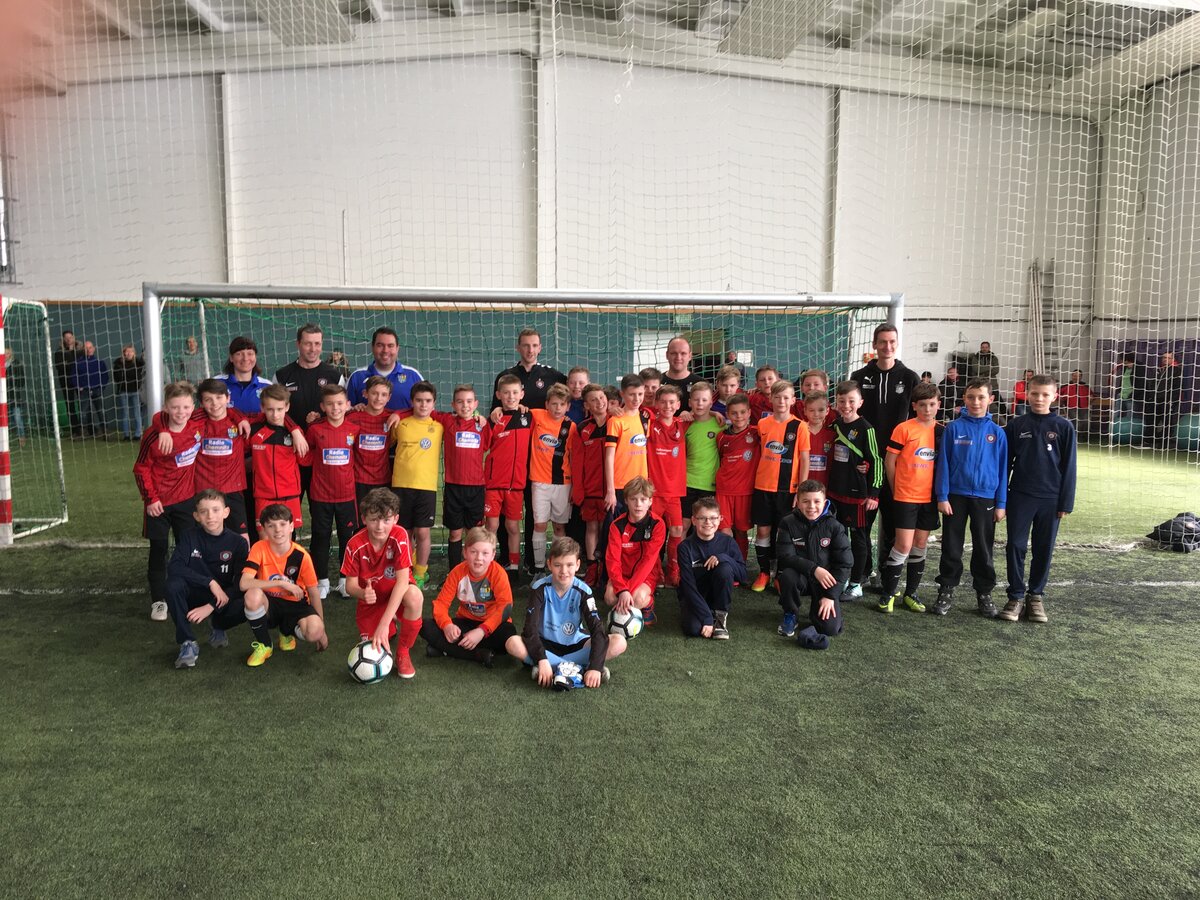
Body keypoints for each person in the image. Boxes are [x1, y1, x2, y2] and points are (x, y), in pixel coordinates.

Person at [1000, 374, 1076, 625]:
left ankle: (1035, 596)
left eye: (1045, 394)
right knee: (1015, 546)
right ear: (1027, 394)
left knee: (1044, 548)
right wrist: (1002, 498)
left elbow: (1070, 467)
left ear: (1054, 396)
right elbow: (1005, 464)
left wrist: (1065, 502)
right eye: (1034, 393)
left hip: (1051, 499)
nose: (1039, 398)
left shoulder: (1064, 427)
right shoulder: (1016, 425)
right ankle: (1015, 596)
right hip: (1020, 496)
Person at [933, 378, 1007, 618]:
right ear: (964, 399)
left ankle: (984, 593)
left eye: (981, 397)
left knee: (983, 548)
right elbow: (943, 464)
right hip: (955, 496)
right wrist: (942, 496)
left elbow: (1003, 470)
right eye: (971, 397)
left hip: (986, 498)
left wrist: (1001, 503)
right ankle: (946, 589)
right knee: (951, 546)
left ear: (990, 400)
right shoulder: (953, 428)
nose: (976, 402)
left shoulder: (997, 433)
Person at [851, 324, 919, 586]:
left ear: (897, 343)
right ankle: (863, 572)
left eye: (891, 341)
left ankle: (885, 574)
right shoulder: (859, 376)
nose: (887, 346)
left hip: (895, 465)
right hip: (866, 465)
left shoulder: (910, 377)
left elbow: (917, 422)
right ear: (874, 344)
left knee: (892, 522)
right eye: (882, 342)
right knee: (862, 524)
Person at [133, 381, 201, 622]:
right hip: (158, 504)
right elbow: (140, 469)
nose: (181, 412)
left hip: (186, 501)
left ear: (193, 407)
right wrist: (151, 499)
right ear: (166, 408)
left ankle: (185, 591)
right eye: (175, 407)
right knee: (159, 549)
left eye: (185, 407)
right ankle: (159, 601)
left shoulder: (196, 426)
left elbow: (221, 411)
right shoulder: (154, 435)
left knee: (187, 548)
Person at [520, 536, 623, 690]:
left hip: (575, 644)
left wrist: (595, 666)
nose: (564, 571)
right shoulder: (539, 588)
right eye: (558, 565)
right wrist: (541, 658)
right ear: (549, 564)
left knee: (619, 642)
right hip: (545, 645)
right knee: (513, 643)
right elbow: (530, 629)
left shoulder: (583, 591)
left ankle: (555, 668)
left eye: (569, 565)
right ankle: (577, 669)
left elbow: (597, 630)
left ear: (577, 565)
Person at [341, 487, 423, 678]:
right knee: (374, 647)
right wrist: (362, 593)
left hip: (396, 593)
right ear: (364, 519)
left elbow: (402, 582)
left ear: (395, 519)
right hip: (372, 600)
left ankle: (403, 652)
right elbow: (349, 586)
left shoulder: (400, 536)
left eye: (386, 520)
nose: (380, 526)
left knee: (415, 596)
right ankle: (390, 623)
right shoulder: (354, 545)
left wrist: (383, 624)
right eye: (374, 519)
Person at [164, 490, 249, 668]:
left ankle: (218, 625)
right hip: (195, 592)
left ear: (226, 512)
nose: (210, 516)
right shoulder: (189, 536)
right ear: (196, 516)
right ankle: (187, 642)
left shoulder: (238, 543)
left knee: (248, 600)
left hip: (223, 598)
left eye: (216, 510)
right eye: (204, 511)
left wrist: (210, 606)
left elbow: (239, 584)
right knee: (173, 585)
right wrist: (209, 582)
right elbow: (174, 567)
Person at [879, 382, 943, 614]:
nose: (927, 409)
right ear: (914, 406)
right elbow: (890, 461)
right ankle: (888, 593)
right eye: (922, 405)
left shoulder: (941, 431)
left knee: (920, 544)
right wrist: (896, 489)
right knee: (903, 544)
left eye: (932, 404)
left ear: (938, 404)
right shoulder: (904, 428)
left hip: (929, 498)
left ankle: (911, 594)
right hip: (906, 496)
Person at [239, 503, 328, 667]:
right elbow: (244, 583)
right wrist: (281, 583)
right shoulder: (259, 548)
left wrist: (322, 629)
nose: (277, 530)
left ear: (291, 526)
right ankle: (265, 645)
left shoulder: (302, 555)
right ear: (264, 529)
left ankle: (287, 632)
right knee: (252, 595)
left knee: (315, 631)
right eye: (271, 526)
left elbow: (313, 592)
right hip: (270, 604)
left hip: (296, 604)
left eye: (282, 524)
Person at [423, 527, 523, 667]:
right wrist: (447, 626)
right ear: (465, 552)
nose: (479, 558)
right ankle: (478, 655)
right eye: (473, 552)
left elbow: (505, 607)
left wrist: (482, 631)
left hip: (492, 626)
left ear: (493, 555)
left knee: (508, 634)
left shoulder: (498, 574)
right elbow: (441, 604)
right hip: (466, 623)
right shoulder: (457, 572)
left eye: (485, 553)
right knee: (425, 626)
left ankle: (445, 649)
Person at [775, 480, 852, 649]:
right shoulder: (787, 522)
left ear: (824, 502)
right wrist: (814, 569)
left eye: (817, 501)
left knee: (829, 629)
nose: (811, 506)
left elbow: (845, 563)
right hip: (800, 577)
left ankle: (820, 610)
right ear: (798, 501)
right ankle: (790, 613)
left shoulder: (835, 526)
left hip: (826, 582)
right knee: (787, 575)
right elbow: (785, 557)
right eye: (806, 501)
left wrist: (831, 595)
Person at [750, 380, 809, 592]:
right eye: (777, 397)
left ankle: (781, 575)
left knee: (784, 533)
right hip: (763, 487)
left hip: (788, 490)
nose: (781, 401)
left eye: (786, 397)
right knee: (763, 531)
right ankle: (764, 572)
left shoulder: (800, 426)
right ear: (771, 399)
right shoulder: (763, 424)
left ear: (793, 400)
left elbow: (805, 459)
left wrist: (801, 490)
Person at [826, 380, 883, 601]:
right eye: (842, 401)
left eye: (851, 401)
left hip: (856, 495)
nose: (846, 405)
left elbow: (876, 461)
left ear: (860, 402)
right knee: (836, 536)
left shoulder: (866, 428)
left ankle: (857, 583)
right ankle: (838, 578)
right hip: (834, 492)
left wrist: (874, 494)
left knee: (858, 537)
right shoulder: (835, 425)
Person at [306, 384, 360, 599]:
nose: (335, 408)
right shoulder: (315, 430)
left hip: (347, 495)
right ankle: (322, 581)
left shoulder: (354, 429)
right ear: (322, 407)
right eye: (330, 404)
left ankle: (345, 581)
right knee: (321, 537)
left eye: (339, 403)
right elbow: (306, 455)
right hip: (321, 496)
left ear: (347, 405)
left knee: (348, 538)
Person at [388, 381, 442, 590]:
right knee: (405, 532)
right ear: (412, 402)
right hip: (401, 485)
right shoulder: (400, 423)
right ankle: (406, 570)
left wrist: (476, 414)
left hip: (426, 487)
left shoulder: (439, 426)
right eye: (419, 400)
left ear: (434, 403)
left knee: (423, 532)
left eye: (428, 401)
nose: (423, 405)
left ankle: (421, 572)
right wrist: (399, 414)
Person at [435, 385, 491, 572]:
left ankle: (474, 572)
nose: (465, 405)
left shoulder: (482, 425)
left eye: (469, 401)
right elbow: (424, 410)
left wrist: (484, 418)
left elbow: (488, 446)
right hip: (454, 487)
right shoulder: (447, 421)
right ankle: (454, 573)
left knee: (474, 534)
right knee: (455, 533)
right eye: (460, 402)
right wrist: (397, 414)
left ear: (475, 404)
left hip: (476, 488)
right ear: (453, 405)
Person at [528, 383, 581, 576]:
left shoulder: (571, 427)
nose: (558, 408)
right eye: (554, 404)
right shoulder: (536, 416)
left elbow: (573, 457)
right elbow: (519, 410)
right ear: (546, 404)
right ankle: (539, 568)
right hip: (539, 482)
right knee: (539, 525)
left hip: (563, 483)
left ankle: (559, 567)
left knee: (559, 527)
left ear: (568, 407)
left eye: (562, 404)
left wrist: (575, 485)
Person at [676, 496, 746, 639]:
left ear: (720, 519)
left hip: (718, 596)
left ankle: (720, 618)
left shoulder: (728, 542)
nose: (708, 522)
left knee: (724, 569)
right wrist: (707, 618)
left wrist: (724, 558)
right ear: (694, 520)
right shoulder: (685, 547)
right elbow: (688, 586)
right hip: (695, 596)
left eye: (713, 518)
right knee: (693, 629)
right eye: (702, 518)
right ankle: (709, 615)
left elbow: (743, 576)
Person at [484, 374, 532, 576]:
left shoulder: (529, 417)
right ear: (498, 395)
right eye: (506, 393)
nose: (511, 397)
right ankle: (487, 564)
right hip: (493, 484)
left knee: (513, 526)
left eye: (514, 392)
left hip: (516, 485)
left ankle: (513, 567)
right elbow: (483, 445)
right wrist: (487, 415)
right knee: (492, 525)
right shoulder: (493, 420)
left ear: (522, 394)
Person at [604, 477, 666, 625]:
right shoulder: (617, 525)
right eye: (633, 499)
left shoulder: (657, 524)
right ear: (626, 500)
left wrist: (628, 591)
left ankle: (648, 604)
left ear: (650, 501)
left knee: (636, 599)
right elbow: (613, 561)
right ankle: (630, 601)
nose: (638, 504)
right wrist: (621, 590)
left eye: (643, 499)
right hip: (623, 573)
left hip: (647, 574)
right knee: (610, 598)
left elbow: (648, 562)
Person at [249, 384, 309, 528]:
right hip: (263, 495)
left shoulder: (295, 433)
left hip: (290, 493)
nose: (275, 415)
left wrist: (295, 431)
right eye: (270, 409)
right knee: (264, 534)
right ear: (262, 408)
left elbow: (304, 460)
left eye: (279, 409)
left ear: (287, 407)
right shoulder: (253, 429)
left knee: (288, 534)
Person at [648, 385, 688, 586]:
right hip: (653, 492)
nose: (667, 406)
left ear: (679, 405)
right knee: (653, 533)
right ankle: (655, 572)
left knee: (677, 530)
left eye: (672, 402)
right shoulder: (649, 425)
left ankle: (674, 570)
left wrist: (715, 413)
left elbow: (704, 414)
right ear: (656, 403)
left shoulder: (683, 424)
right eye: (663, 402)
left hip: (674, 492)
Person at [573, 383, 611, 584]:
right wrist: (578, 489)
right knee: (592, 527)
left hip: (611, 490)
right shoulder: (582, 428)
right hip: (591, 488)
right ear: (586, 405)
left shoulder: (616, 422)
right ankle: (592, 566)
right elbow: (577, 462)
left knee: (607, 528)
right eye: (594, 400)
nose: (599, 402)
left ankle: (605, 564)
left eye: (602, 398)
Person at [715, 393, 759, 564]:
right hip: (724, 490)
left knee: (741, 531)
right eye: (734, 413)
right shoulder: (721, 437)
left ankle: (740, 565)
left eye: (742, 412)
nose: (739, 416)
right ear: (727, 414)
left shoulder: (757, 433)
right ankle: (727, 565)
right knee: (724, 531)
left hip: (745, 491)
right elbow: (721, 458)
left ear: (749, 413)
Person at [603, 374, 650, 517]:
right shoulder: (615, 420)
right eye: (632, 394)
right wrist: (610, 490)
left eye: (640, 394)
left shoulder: (645, 418)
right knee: (617, 527)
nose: (636, 399)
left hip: (640, 485)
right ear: (622, 394)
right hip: (620, 486)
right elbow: (609, 457)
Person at [347, 375, 397, 510]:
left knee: (381, 516)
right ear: (365, 394)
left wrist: (399, 414)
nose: (379, 398)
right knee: (360, 518)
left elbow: (411, 413)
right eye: (374, 393)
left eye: (383, 395)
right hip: (358, 480)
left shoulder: (392, 418)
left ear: (389, 398)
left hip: (383, 479)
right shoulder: (353, 417)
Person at [346, 327, 424, 411]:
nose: (385, 350)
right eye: (380, 345)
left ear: (397, 348)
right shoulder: (357, 377)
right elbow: (345, 410)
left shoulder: (413, 376)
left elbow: (426, 410)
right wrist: (353, 409)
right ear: (372, 347)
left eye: (390, 346)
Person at [490, 327, 566, 412]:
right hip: (514, 421)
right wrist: (497, 409)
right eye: (526, 346)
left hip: (543, 421)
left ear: (540, 348)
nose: (530, 350)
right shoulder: (505, 376)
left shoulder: (553, 375)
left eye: (535, 345)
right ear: (518, 348)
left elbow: (570, 399)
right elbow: (495, 410)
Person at [682, 381, 721, 542]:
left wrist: (714, 413)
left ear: (711, 402)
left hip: (709, 484)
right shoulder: (684, 424)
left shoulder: (720, 424)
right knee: (684, 525)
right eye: (696, 400)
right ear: (689, 402)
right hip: (687, 482)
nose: (700, 403)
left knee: (706, 526)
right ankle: (680, 557)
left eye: (704, 400)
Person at [217, 336, 272, 414]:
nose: (245, 358)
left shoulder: (268, 386)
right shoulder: (216, 383)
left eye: (250, 353)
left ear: (255, 357)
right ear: (231, 358)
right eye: (239, 354)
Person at [1146, 350, 1183, 449]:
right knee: (1152, 421)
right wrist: (1151, 396)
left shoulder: (1176, 370)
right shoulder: (1160, 370)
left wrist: (1172, 401)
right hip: (1155, 400)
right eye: (1164, 357)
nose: (1165, 359)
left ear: (1173, 359)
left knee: (1167, 422)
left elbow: (1177, 387)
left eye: (1168, 358)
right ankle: (1149, 442)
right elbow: (1153, 383)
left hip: (1167, 400)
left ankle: (1164, 444)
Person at [72, 340, 110, 438]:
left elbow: (105, 376)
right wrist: (78, 387)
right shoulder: (77, 363)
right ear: (83, 349)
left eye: (90, 347)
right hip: (84, 391)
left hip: (97, 390)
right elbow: (74, 377)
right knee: (83, 412)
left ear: (93, 349)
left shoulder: (100, 363)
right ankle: (83, 432)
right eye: (86, 348)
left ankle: (105, 431)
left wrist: (101, 387)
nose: (88, 350)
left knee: (101, 411)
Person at [53, 330, 84, 437]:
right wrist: (71, 358)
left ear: (74, 337)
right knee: (70, 406)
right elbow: (60, 367)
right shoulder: (59, 352)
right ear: (63, 339)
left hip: (80, 381)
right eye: (66, 338)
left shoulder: (81, 350)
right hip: (66, 382)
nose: (68, 340)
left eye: (70, 337)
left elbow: (81, 365)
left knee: (84, 404)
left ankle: (88, 428)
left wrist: (68, 361)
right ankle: (75, 430)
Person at [802, 391, 835, 488]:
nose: (816, 414)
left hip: (825, 486)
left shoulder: (833, 434)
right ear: (805, 411)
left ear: (827, 411)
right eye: (811, 410)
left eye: (821, 410)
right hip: (803, 486)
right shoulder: (799, 432)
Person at [112, 344, 144, 441]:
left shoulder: (138, 363)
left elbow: (143, 363)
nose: (129, 353)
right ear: (124, 353)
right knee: (125, 413)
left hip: (135, 391)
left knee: (137, 413)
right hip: (123, 391)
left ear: (134, 353)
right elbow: (116, 377)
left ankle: (138, 434)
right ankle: (126, 435)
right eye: (127, 351)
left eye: (131, 351)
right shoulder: (118, 364)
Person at [1058, 369, 1092, 435]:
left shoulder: (1086, 386)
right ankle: (1074, 435)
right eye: (1075, 375)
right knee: (1075, 422)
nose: (1076, 377)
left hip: (1083, 407)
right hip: (1071, 407)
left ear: (1081, 377)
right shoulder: (1065, 386)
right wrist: (1061, 399)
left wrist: (1091, 397)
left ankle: (1082, 436)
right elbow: (1057, 394)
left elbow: (1092, 395)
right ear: (1072, 376)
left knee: (1085, 421)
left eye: (1078, 376)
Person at [5, 349, 28, 447]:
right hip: (3, 396)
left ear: (11, 354)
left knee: (17, 418)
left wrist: (12, 384)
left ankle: (21, 437)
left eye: (7, 353)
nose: (5, 355)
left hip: (14, 396)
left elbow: (22, 380)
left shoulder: (17, 364)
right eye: (4, 353)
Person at [1109, 353, 1136, 419]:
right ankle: (1112, 424)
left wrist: (1132, 394)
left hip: (1130, 396)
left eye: (1121, 359)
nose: (1120, 361)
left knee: (1129, 415)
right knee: (1115, 413)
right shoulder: (1124, 368)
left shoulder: (1138, 369)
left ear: (1126, 360)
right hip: (1121, 395)